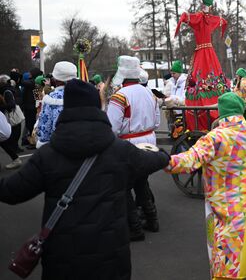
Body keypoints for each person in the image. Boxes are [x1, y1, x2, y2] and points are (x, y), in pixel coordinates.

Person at [0, 79, 170, 280]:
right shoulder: (120, 151)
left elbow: (12, 191)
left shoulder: (47, 156)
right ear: (97, 106)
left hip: (63, 257)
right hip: (111, 255)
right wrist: (162, 154)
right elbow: (155, 160)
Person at [166, 92, 246, 279]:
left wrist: (160, 160)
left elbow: (188, 160)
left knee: (225, 254)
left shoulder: (214, 139)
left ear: (221, 113)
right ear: (240, 111)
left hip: (226, 208)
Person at [107, 56, 161, 241]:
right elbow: (157, 121)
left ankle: (135, 227)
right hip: (149, 142)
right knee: (141, 181)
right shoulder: (150, 93)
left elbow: (112, 127)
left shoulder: (120, 96)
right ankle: (152, 219)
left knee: (123, 185)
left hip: (129, 145)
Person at [36, 61, 78, 148]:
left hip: (58, 147)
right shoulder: (83, 95)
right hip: (79, 145)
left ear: (55, 79)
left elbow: (44, 130)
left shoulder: (50, 98)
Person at [0, 75, 24, 169]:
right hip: (10, 117)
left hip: (10, 117)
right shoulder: (11, 89)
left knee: (6, 140)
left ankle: (16, 157)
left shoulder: (6, 91)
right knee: (6, 140)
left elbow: (12, 104)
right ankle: (16, 154)